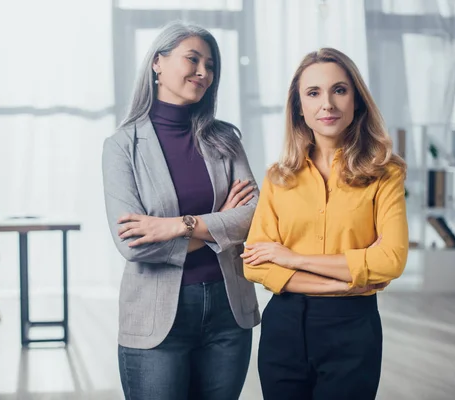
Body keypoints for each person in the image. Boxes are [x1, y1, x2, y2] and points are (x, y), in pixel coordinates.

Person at [102, 21, 260, 400]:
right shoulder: (122, 146)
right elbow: (134, 245)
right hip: (156, 318)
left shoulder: (225, 140)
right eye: (193, 59)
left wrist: (178, 226)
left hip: (228, 310)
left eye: (210, 65)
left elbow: (254, 216)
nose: (203, 72)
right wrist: (219, 225)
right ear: (158, 62)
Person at [242, 47, 408, 400]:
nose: (327, 104)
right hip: (283, 327)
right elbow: (255, 266)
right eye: (313, 93)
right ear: (299, 107)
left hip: (352, 329)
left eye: (339, 90)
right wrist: (348, 279)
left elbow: (391, 260)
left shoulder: (385, 173)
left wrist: (292, 258)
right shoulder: (278, 176)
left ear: (357, 101)